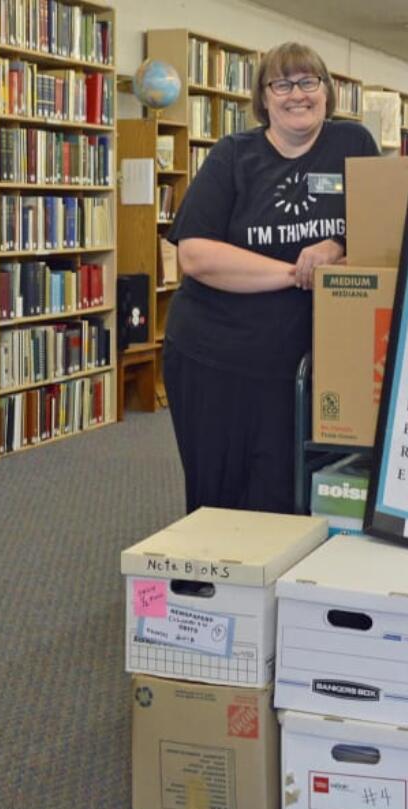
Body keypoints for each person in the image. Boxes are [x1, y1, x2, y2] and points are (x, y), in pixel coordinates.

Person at [163, 42, 380, 514]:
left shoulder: (355, 146)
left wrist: (336, 246)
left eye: (308, 81)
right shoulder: (232, 156)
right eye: (281, 84)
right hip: (213, 352)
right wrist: (297, 273)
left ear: (327, 91)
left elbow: (379, 229)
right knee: (218, 492)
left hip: (300, 361)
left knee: (284, 490)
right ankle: (209, 583)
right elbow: (195, 255)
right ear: (263, 97)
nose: (296, 94)